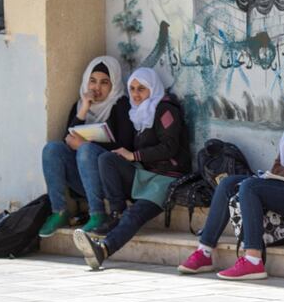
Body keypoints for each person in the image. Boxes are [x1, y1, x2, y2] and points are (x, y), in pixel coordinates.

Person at [177, 76, 284, 280]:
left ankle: (253, 259)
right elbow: (278, 167)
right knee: (227, 183)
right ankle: (204, 251)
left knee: (250, 187)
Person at [72, 67, 191, 269]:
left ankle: (103, 249)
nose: (136, 94)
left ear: (152, 89)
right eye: (133, 89)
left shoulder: (165, 110)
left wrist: (133, 155)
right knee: (107, 160)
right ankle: (116, 213)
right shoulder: (137, 113)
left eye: (141, 89)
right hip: (144, 173)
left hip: (165, 179)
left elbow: (169, 147)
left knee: (134, 214)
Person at [39, 56, 134, 237]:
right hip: (84, 182)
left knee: (86, 149)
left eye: (104, 82)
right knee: (52, 149)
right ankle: (59, 211)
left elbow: (125, 146)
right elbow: (67, 141)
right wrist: (83, 109)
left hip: (112, 184)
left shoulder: (121, 105)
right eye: (92, 81)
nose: (96, 87)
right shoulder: (79, 105)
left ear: (113, 84)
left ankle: (97, 213)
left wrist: (85, 144)